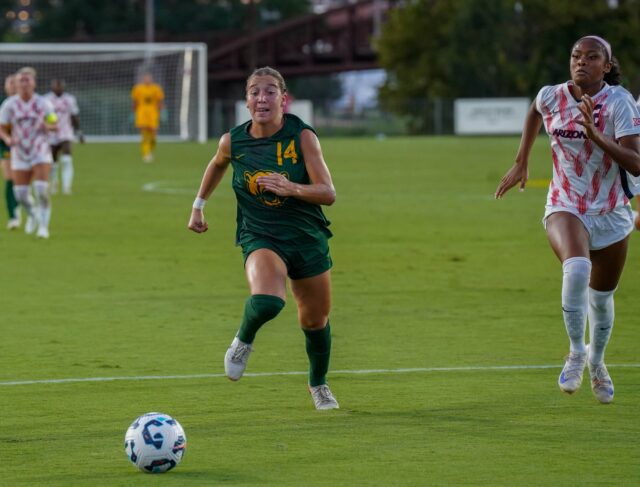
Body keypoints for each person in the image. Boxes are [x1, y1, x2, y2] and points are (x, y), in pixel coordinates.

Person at [495, 36, 640, 404]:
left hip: (610, 211)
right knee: (576, 269)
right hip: (565, 203)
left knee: (602, 299)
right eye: (576, 55)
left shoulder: (619, 102)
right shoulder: (552, 96)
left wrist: (596, 135)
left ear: (606, 66)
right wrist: (521, 158)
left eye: (592, 57)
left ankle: (597, 361)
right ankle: (576, 351)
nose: (581, 62)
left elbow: (635, 161)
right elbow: (534, 111)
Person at [188, 66, 339, 410]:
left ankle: (318, 384)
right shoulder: (233, 140)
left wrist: (291, 188)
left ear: (283, 99)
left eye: (270, 91)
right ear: (246, 101)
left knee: (314, 320)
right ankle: (243, 339)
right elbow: (217, 163)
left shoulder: (302, 136)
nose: (262, 98)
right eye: (255, 92)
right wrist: (198, 205)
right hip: (260, 235)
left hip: (306, 237)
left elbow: (328, 193)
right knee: (269, 301)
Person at [0, 67, 57, 239]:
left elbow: (55, 124)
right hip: (19, 152)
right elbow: (1, 127)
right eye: (21, 81)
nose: (24, 83)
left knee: (41, 189)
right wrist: (8, 139)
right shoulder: (9, 105)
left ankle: (44, 227)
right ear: (15, 84)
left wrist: (48, 126)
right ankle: (32, 215)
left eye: (28, 80)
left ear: (34, 83)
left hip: (40, 151)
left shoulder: (43, 103)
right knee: (21, 194)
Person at [45, 79, 84, 195]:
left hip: (66, 132)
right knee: (52, 162)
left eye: (59, 85)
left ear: (63, 86)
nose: (57, 87)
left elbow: (74, 116)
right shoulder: (46, 99)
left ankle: (67, 187)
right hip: (51, 133)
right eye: (55, 85)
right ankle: (54, 183)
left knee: (67, 159)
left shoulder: (69, 99)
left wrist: (79, 133)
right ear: (52, 87)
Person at [131, 72, 164, 163]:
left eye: (149, 78)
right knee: (144, 135)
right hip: (142, 114)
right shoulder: (138, 89)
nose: (147, 79)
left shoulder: (156, 88)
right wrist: (133, 113)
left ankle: (151, 151)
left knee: (153, 137)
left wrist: (162, 113)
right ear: (143, 79)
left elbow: (160, 102)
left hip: (153, 114)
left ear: (152, 79)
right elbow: (135, 102)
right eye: (146, 78)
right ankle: (146, 154)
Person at [1, 74, 19, 229]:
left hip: (25, 147)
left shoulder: (25, 104)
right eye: (10, 83)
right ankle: (13, 215)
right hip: (5, 146)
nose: (12, 85)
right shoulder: (2, 103)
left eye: (15, 82)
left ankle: (23, 201)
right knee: (9, 178)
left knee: (21, 181)